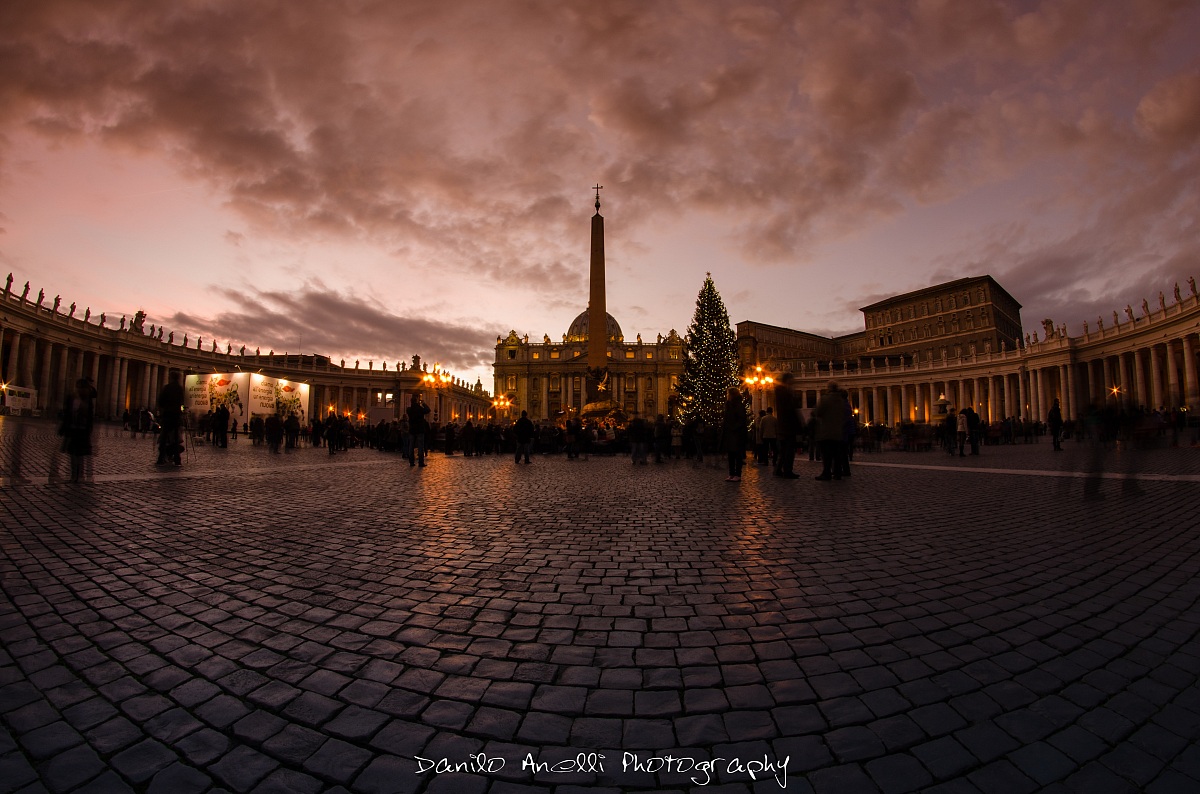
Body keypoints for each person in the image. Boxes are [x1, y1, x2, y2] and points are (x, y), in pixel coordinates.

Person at [60, 378, 96, 482]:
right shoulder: (72, 398)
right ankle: (74, 475)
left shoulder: (87, 400)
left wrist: (89, 430)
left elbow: (90, 417)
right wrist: (64, 427)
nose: (79, 389)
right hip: (73, 429)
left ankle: (78, 475)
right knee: (73, 454)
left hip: (82, 431)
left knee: (79, 454)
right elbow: (68, 414)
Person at [812, 380, 846, 481]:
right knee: (837, 454)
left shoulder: (825, 399)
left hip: (826, 430)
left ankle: (826, 473)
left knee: (826, 454)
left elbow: (818, 412)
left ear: (829, 388)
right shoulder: (841, 400)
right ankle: (838, 473)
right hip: (838, 431)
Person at [156, 371, 185, 466]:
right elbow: (182, 402)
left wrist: (163, 409)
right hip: (176, 416)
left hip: (167, 415)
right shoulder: (180, 389)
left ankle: (161, 458)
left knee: (164, 437)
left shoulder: (167, 388)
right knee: (176, 438)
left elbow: (161, 401)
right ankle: (177, 459)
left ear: (171, 377)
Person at [773, 373, 800, 478]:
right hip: (788, 426)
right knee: (789, 450)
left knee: (784, 450)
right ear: (787, 380)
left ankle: (778, 469)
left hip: (783, 426)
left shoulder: (780, 391)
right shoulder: (786, 392)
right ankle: (788, 471)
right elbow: (791, 410)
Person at [722, 387, 748, 482]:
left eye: (728, 394)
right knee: (731, 455)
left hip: (737, 433)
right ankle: (731, 473)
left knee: (737, 454)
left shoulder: (739, 405)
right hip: (730, 432)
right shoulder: (728, 405)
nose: (727, 395)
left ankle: (738, 474)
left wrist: (733, 428)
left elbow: (741, 420)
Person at [407, 395, 431, 466]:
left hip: (412, 429)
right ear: (417, 401)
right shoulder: (419, 408)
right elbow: (428, 410)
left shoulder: (409, 409)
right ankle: (421, 462)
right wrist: (423, 404)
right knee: (420, 446)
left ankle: (411, 461)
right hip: (420, 429)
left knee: (411, 446)